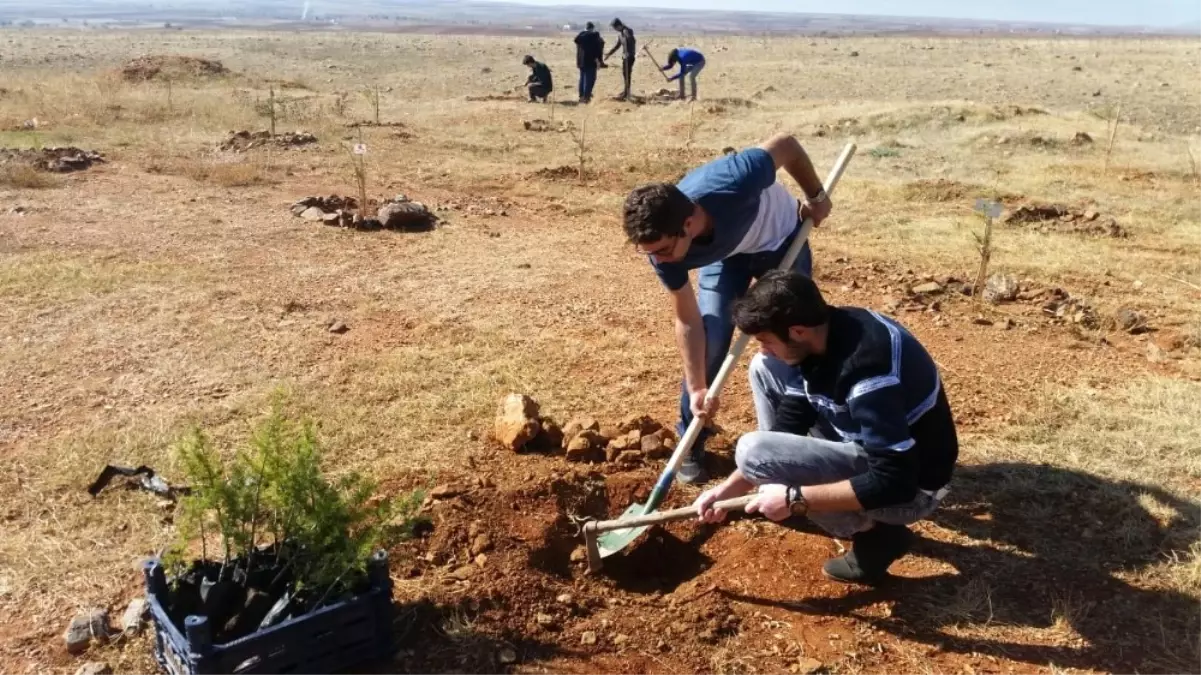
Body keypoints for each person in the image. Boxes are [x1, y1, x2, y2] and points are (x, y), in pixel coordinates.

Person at [692, 270, 959, 585]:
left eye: (765, 340)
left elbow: (894, 481)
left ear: (798, 331)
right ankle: (775, 484)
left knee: (754, 449)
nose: (762, 347)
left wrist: (795, 498)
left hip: (912, 489)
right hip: (863, 444)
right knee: (764, 369)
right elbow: (789, 424)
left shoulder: (868, 372)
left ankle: (877, 536)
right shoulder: (823, 334)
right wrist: (724, 491)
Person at [621, 133, 831, 484]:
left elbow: (787, 145)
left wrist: (816, 196)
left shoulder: (735, 178)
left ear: (687, 225)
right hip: (727, 258)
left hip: (780, 242)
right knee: (713, 336)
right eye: (650, 252)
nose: (657, 260)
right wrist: (696, 387)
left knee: (797, 334)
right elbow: (688, 319)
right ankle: (691, 440)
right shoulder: (664, 249)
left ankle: (808, 435)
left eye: (662, 250)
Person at [605, 18, 637, 101]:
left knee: (627, 74)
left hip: (629, 57)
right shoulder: (620, 34)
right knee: (625, 74)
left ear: (619, 26)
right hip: (625, 57)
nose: (615, 30)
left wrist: (629, 52)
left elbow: (632, 41)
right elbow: (617, 46)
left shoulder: (627, 31)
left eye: (615, 28)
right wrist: (609, 53)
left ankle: (627, 93)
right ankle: (626, 91)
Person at [573, 22, 605, 103]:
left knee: (582, 79)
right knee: (590, 79)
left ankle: (581, 96)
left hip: (581, 61)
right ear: (592, 28)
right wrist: (598, 60)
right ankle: (586, 97)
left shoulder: (580, 37)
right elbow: (596, 50)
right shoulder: (594, 36)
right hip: (590, 61)